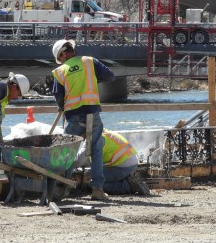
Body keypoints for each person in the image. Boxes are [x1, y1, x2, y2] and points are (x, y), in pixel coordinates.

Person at [51, 39, 115, 201]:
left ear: (63, 54)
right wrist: (92, 79)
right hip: (92, 112)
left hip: (73, 116)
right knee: (96, 151)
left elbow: (58, 96)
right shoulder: (89, 62)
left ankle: (61, 189)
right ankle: (97, 190)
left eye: (61, 58)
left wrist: (62, 106)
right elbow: (110, 76)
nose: (62, 61)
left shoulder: (60, 71)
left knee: (66, 152)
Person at [73, 129, 150, 196]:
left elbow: (78, 161)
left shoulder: (94, 139)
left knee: (93, 183)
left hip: (123, 166)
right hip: (127, 161)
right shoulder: (99, 131)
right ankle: (126, 179)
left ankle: (128, 186)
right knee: (91, 173)